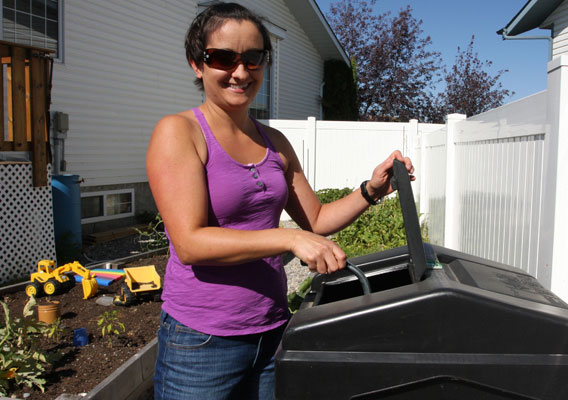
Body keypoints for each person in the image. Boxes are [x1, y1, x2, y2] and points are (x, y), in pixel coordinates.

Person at [146, 3, 413, 399]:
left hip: (272, 332)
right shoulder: (179, 132)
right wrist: (288, 240)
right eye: (223, 57)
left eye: (253, 58)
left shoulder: (275, 142)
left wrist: (370, 189)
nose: (240, 72)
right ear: (197, 64)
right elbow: (190, 243)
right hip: (201, 343)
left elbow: (317, 219)